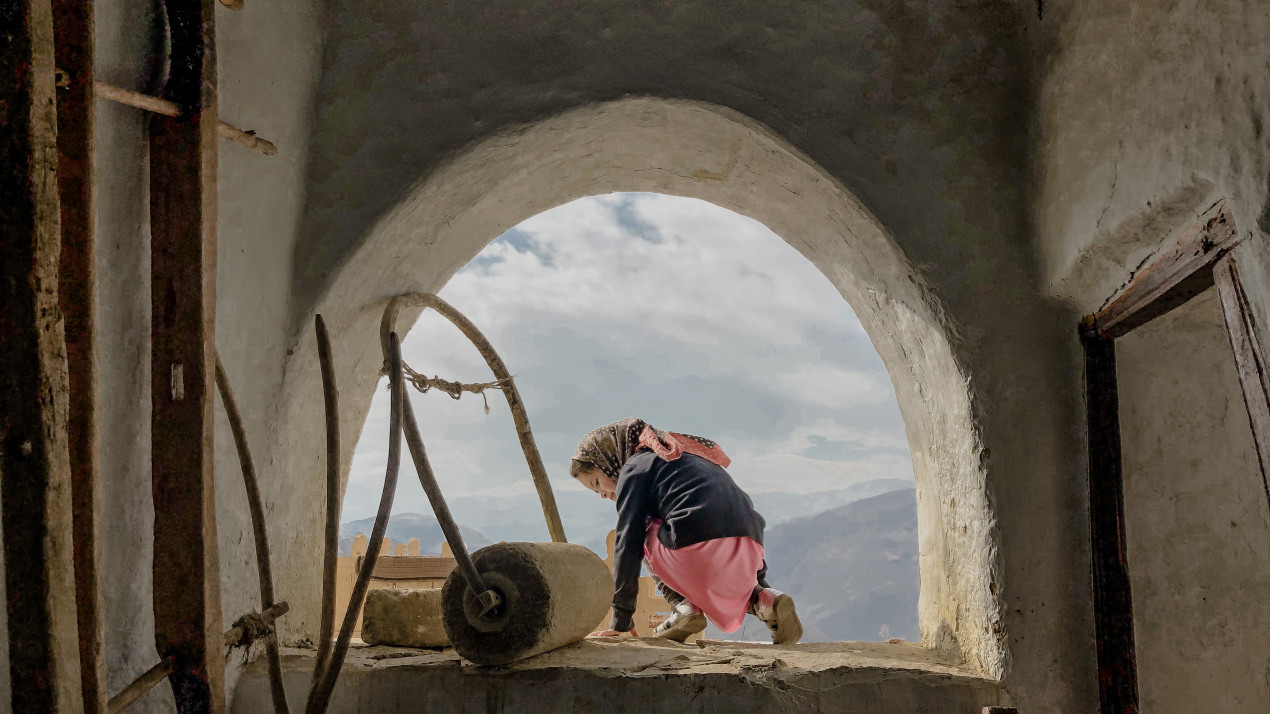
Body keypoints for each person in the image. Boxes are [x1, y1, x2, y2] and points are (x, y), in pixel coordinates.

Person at [571, 417, 802, 644]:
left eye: (596, 483)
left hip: (696, 545)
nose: (602, 494)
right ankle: (766, 600)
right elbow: (738, 513)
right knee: (729, 581)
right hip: (750, 546)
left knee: (640, 527)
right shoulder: (686, 454)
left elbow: (627, 542)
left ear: (607, 459)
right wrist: (760, 580)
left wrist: (621, 619)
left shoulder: (634, 468)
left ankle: (683, 608)